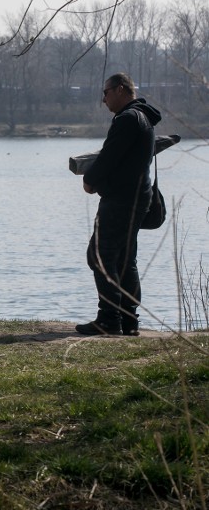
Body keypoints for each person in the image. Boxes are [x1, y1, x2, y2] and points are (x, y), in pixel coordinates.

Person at [77, 73, 160, 336]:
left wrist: (90, 180)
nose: (103, 99)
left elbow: (109, 157)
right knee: (125, 259)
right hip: (137, 198)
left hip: (121, 199)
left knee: (99, 256)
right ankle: (128, 320)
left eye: (106, 92)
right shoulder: (143, 118)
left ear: (121, 90)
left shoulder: (127, 119)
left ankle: (109, 319)